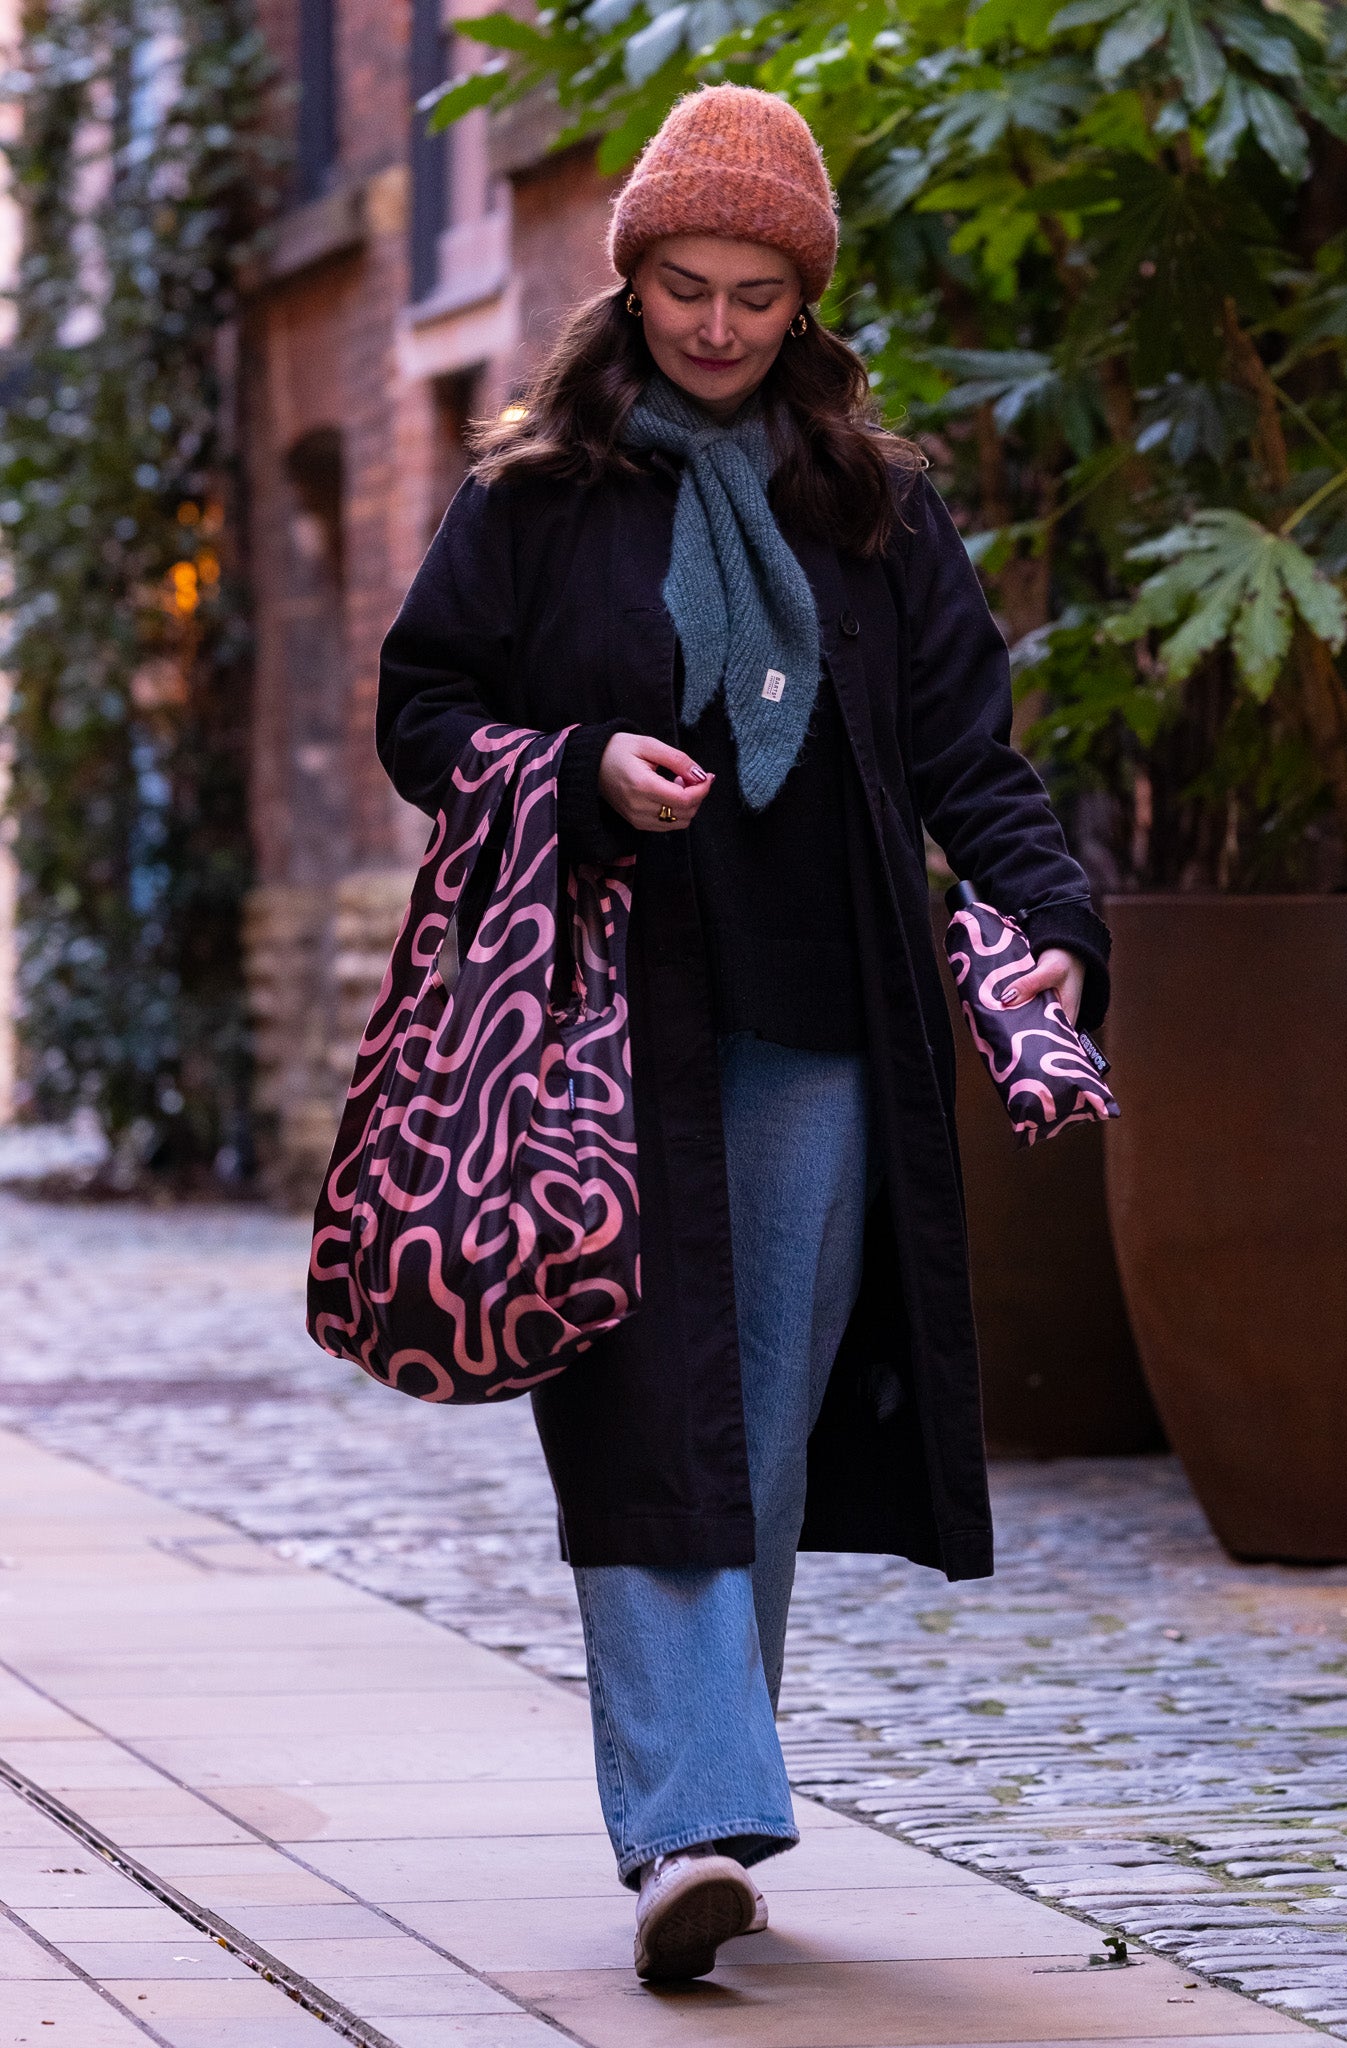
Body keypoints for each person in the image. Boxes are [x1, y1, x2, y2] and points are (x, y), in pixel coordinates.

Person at [375, 83, 1110, 1985]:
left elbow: (968, 758)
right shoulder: (536, 502)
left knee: (758, 1428)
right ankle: (692, 1826)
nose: (715, 327)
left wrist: (1050, 933)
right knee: (642, 1407)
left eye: (756, 295)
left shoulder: (876, 511)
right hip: (586, 1024)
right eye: (685, 287)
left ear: (806, 308)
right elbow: (421, 711)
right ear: (630, 285)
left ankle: (700, 1793)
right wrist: (569, 767)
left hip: (821, 1026)